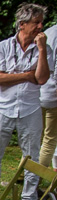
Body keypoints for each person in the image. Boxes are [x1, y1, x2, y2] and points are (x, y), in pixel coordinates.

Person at [0, 2, 53, 200]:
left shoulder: (45, 49)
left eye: (41, 23)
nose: (40, 27)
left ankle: (29, 198)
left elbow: (42, 78)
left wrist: (41, 49)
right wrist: (26, 75)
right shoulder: (3, 47)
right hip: (3, 108)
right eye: (36, 23)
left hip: (30, 108)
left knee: (32, 156)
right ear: (22, 24)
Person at [39, 23, 57, 169]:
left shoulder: (47, 32)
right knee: (49, 140)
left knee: (34, 139)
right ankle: (35, 179)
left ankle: (24, 175)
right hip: (53, 95)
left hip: (38, 93)